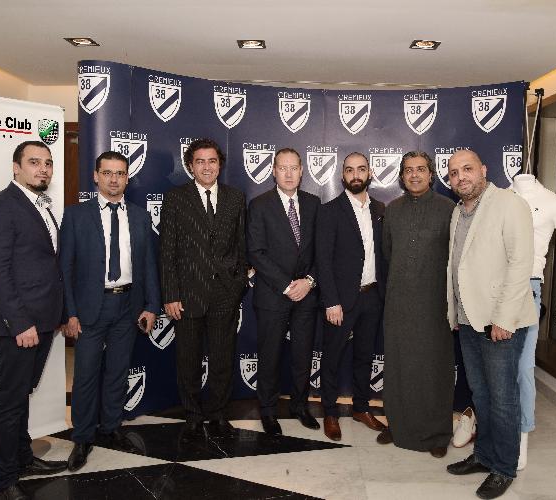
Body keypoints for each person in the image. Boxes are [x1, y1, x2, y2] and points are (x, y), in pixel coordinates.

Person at [0, 141, 67, 500]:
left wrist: (57, 315)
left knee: (21, 397)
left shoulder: (40, 205)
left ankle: (23, 459)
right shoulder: (0, 207)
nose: (43, 169)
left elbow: (46, 265)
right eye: (34, 162)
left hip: (41, 322)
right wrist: (19, 323)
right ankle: (4, 480)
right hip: (18, 326)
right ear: (16, 167)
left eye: (48, 163)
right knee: (10, 403)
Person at [444, 149, 537, 499]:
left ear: (483, 170)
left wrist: (504, 319)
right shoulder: (459, 211)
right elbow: (457, 265)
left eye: (467, 169)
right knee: (480, 394)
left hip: (499, 322)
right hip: (469, 320)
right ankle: (484, 456)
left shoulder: (509, 205)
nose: (461, 177)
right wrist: (455, 313)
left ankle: (504, 467)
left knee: (502, 399)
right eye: (454, 173)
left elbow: (520, 264)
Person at [60, 151, 160, 471]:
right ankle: (82, 437)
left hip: (128, 306)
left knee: (118, 372)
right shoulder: (76, 216)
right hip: (91, 307)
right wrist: (69, 313)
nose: (114, 179)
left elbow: (149, 265)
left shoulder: (140, 217)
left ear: (127, 178)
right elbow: (65, 269)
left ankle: (111, 427)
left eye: (120, 173)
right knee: (86, 375)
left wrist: (152, 306)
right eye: (107, 173)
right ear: (96, 176)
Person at [159, 138, 248, 439]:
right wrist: (171, 294)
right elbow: (167, 251)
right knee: (188, 361)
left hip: (225, 294)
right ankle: (193, 416)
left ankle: (219, 415)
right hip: (187, 296)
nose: (207, 167)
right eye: (200, 161)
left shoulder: (235, 198)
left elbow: (242, 246)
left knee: (223, 359)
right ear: (190, 166)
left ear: (220, 165)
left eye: (212, 161)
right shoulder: (175, 198)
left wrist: (237, 285)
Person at [379, 151, 455, 457]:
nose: (414, 175)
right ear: (401, 176)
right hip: (399, 301)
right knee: (399, 365)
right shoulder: (393, 210)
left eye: (420, 169)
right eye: (408, 170)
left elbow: (455, 257)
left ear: (431, 174)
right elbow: (388, 253)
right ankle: (397, 424)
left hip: (435, 303)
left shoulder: (449, 209)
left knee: (434, 367)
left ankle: (436, 434)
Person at [246, 148, 321, 435]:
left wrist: (309, 281)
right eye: (282, 168)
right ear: (274, 171)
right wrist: (287, 286)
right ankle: (267, 410)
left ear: (302, 171)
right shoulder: (259, 205)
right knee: (270, 356)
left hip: (307, 294)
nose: (288, 174)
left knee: (303, 355)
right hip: (272, 294)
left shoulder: (314, 203)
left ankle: (300, 406)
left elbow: (322, 250)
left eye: (293, 168)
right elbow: (256, 252)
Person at [315, 152, 387, 441]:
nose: (355, 175)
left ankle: (361, 408)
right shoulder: (330, 211)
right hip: (341, 301)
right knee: (332, 357)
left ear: (370, 173)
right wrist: (331, 301)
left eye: (361, 169)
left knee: (365, 356)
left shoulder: (380, 209)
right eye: (349, 170)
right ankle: (330, 412)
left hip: (372, 296)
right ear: (342, 175)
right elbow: (323, 260)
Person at [512, 173, 556, 470]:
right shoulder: (497, 197)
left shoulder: (555, 203)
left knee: (523, 366)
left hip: (527, 285)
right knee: (492, 366)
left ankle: (522, 434)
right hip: (492, 286)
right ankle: (492, 429)